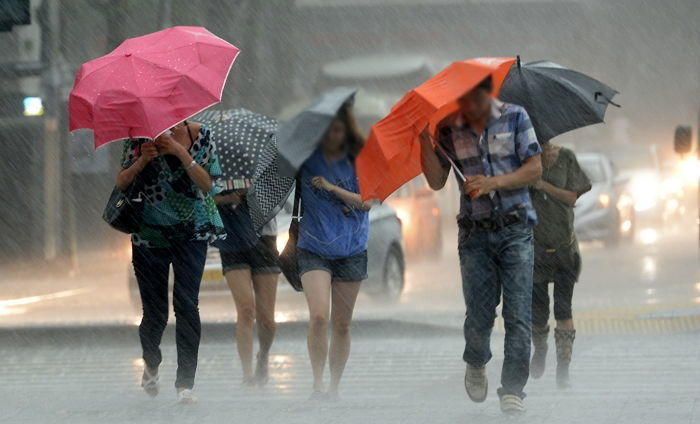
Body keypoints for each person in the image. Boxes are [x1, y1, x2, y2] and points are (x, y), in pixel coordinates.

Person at [420, 76, 542, 416]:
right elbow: (435, 180)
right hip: (474, 234)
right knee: (479, 315)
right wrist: (421, 139)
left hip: (516, 229)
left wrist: (494, 183)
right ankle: (476, 360)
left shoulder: (516, 116)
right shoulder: (448, 128)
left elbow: (534, 168)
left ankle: (513, 388)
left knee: (518, 315)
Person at [116, 120, 224, 404]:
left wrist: (179, 151)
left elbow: (210, 185)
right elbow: (122, 182)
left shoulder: (201, 135)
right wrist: (142, 160)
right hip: (149, 235)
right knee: (155, 313)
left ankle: (185, 384)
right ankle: (151, 363)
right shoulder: (137, 136)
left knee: (187, 304)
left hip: (193, 232)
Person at [296, 105, 372, 400]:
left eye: (337, 130)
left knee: (342, 324)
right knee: (318, 317)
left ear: (346, 132)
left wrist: (332, 188)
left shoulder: (359, 160)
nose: (332, 135)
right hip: (313, 246)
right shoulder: (305, 160)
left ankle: (334, 386)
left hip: (352, 248)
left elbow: (367, 201)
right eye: (326, 130)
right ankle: (317, 384)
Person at [528, 140, 591, 389]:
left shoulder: (566, 157)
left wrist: (542, 184)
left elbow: (572, 196)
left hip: (564, 248)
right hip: (535, 249)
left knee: (563, 310)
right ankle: (540, 348)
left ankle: (563, 368)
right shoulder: (525, 160)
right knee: (539, 313)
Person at [214, 188, 280, 388]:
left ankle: (264, 355)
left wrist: (252, 194)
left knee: (267, 319)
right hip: (233, 237)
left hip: (264, 239)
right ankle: (247, 375)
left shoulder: (269, 161)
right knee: (246, 309)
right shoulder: (219, 160)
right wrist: (228, 198)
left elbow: (281, 201)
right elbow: (203, 198)